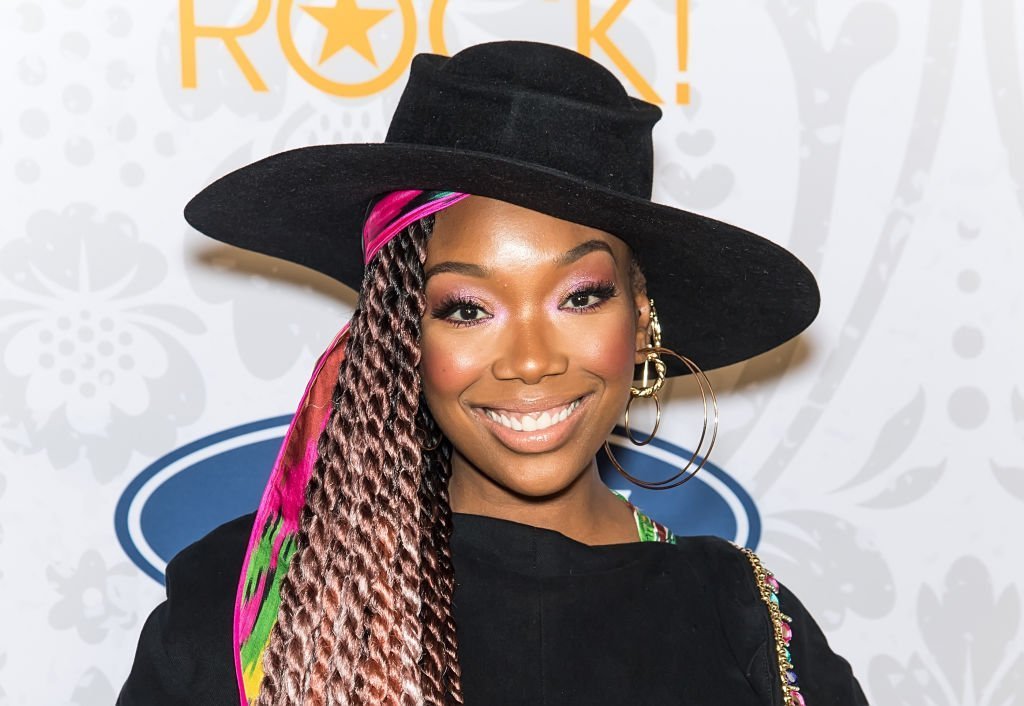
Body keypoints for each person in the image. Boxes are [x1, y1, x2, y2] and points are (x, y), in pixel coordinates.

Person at [118, 41, 868, 705]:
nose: (532, 360)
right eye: (468, 308)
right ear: (400, 333)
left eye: (581, 296)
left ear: (640, 317)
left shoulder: (745, 621)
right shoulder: (251, 601)